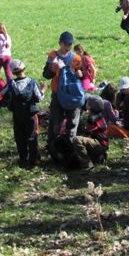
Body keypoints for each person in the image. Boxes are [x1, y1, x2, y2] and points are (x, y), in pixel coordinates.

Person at [43, 32, 84, 162]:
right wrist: (51, 69)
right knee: (56, 122)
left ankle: (70, 150)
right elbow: (46, 75)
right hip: (57, 94)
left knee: (72, 123)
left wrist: (80, 73)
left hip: (72, 95)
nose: (68, 46)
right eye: (66, 44)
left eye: (70, 44)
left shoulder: (76, 58)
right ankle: (53, 149)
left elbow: (83, 75)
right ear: (60, 43)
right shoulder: (53, 56)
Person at [3, 59, 45, 168]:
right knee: (32, 136)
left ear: (12, 72)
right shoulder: (31, 82)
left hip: (17, 114)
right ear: (24, 68)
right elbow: (39, 97)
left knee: (20, 137)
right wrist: (43, 90)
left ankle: (23, 159)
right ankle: (34, 160)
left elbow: (1, 94)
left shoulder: (11, 84)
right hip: (31, 115)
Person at [72, 95, 109, 168]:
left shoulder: (92, 118)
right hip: (101, 144)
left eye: (88, 102)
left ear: (90, 106)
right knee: (83, 141)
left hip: (100, 145)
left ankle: (87, 165)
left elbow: (88, 133)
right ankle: (98, 158)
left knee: (77, 140)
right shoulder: (99, 115)